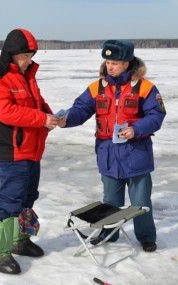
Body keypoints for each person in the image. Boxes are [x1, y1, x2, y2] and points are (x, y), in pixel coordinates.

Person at [58, 40, 166, 252]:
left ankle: (146, 237)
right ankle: (110, 234)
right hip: (108, 154)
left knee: (141, 202)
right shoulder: (97, 87)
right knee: (110, 202)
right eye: (107, 62)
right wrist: (65, 120)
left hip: (136, 154)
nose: (110, 66)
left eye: (115, 63)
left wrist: (136, 129)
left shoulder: (145, 87)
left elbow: (157, 115)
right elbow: (80, 109)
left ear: (127, 63)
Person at [0, 28, 58, 274]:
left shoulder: (27, 74)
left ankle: (19, 241)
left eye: (31, 55)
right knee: (8, 201)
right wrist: (41, 119)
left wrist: (51, 115)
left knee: (27, 197)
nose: (28, 60)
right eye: (24, 55)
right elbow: (5, 111)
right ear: (11, 53)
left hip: (32, 148)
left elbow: (36, 102)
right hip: (11, 150)